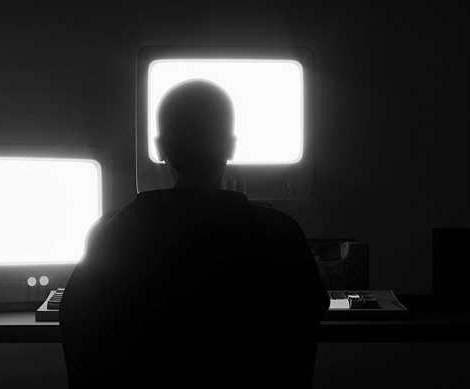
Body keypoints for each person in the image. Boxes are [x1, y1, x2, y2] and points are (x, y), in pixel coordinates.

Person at [60, 79, 328, 388]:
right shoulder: (283, 235)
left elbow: (77, 328)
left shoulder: (109, 233)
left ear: (160, 149)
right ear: (231, 146)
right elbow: (302, 331)